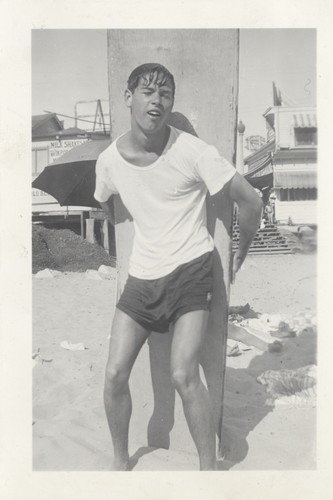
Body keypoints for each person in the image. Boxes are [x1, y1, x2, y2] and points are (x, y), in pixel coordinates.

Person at [94, 63, 262, 471]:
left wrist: (240, 250)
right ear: (128, 96)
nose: (157, 100)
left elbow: (252, 200)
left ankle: (207, 474)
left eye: (165, 93)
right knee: (115, 374)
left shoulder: (193, 151)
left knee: (183, 374)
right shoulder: (108, 161)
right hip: (141, 277)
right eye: (148, 91)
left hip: (190, 271)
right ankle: (119, 465)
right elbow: (103, 201)